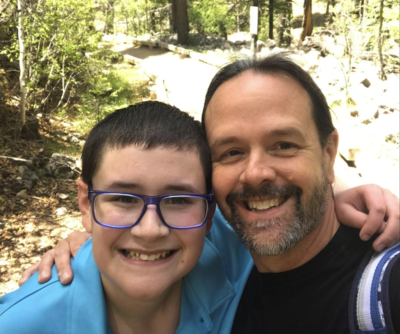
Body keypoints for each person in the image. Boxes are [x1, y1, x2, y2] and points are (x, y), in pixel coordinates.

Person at [15, 54, 400, 333]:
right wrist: (90, 242)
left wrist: (343, 191)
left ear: (329, 153)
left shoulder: (386, 288)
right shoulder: (217, 234)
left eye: (284, 144)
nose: (256, 173)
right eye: (231, 152)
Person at [0, 102, 250, 333]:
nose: (150, 230)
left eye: (178, 200)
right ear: (87, 205)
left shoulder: (250, 249)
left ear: (209, 213)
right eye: (124, 199)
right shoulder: (19, 324)